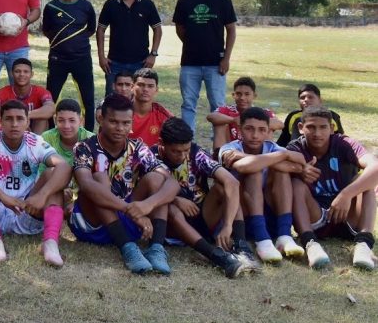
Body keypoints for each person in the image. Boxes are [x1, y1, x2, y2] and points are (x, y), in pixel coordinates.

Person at [70, 93, 180, 274]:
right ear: (101, 119)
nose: (120, 128)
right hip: (92, 224)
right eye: (113, 122)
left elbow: (172, 182)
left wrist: (146, 206)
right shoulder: (85, 147)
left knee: (156, 178)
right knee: (99, 178)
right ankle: (127, 248)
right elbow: (86, 184)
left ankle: (156, 249)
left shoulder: (137, 147)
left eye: (126, 123)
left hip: (129, 219)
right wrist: (130, 211)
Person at [0, 100, 73, 266]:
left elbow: (64, 166)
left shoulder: (35, 142)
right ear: (0, 122)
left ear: (28, 122)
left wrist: (42, 196)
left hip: (27, 209)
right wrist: (3, 197)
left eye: (20, 119)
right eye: (8, 119)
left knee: (53, 175)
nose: (14, 124)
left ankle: (50, 243)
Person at [157, 118, 253, 278]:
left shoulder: (196, 153)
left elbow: (232, 182)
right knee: (169, 207)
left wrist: (228, 225)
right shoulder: (151, 155)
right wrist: (175, 199)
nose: (182, 156)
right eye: (175, 151)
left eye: (185, 150)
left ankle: (241, 246)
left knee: (223, 188)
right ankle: (215, 256)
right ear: (162, 144)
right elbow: (147, 191)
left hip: (203, 215)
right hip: (172, 223)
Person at [285, 107, 377, 270]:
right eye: (311, 127)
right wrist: (298, 170)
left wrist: (346, 195)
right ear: (301, 128)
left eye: (323, 127)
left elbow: (375, 167)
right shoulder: (295, 148)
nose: (317, 133)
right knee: (296, 184)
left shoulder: (344, 143)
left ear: (332, 128)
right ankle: (310, 243)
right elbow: (276, 167)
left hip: (346, 214)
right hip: (316, 217)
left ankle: (363, 244)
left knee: (364, 182)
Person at [217, 107, 307, 263]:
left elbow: (300, 162)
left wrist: (284, 154)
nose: (255, 135)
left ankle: (284, 235)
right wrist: (279, 160)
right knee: (255, 172)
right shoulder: (229, 149)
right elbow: (244, 167)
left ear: (268, 132)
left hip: (269, 212)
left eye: (261, 130)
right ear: (240, 129)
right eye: (249, 129)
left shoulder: (273, 148)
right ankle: (262, 239)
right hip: (241, 217)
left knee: (281, 173)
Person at [173, 0, 237, 130]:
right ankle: (187, 145)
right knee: (188, 105)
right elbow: (179, 28)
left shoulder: (223, 0)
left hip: (215, 63)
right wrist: (192, 43)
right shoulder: (185, 1)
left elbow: (231, 30)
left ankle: (219, 146)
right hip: (189, 63)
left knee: (218, 106)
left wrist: (226, 58)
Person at [42, 0, 98, 131]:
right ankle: (51, 132)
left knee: (87, 98)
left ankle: (88, 133)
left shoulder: (86, 6)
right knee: (50, 97)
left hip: (82, 58)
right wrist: (61, 42)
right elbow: (46, 29)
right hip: (57, 59)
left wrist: (76, 42)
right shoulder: (51, 6)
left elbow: (91, 29)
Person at [96, 0, 162, 97]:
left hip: (141, 62)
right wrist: (101, 56)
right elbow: (100, 30)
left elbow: (157, 29)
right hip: (114, 63)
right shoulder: (111, 4)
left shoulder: (147, 4)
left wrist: (153, 54)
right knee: (112, 100)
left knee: (138, 100)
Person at [207, 77, 281, 150]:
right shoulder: (226, 110)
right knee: (219, 123)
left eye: (247, 94)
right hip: (230, 150)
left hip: (256, 150)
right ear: (233, 95)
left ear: (254, 96)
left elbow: (280, 124)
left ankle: (266, 156)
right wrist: (233, 120)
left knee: (269, 127)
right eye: (238, 94)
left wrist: (253, 123)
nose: (242, 98)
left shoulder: (261, 112)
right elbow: (211, 117)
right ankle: (220, 157)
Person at [0, 58, 54, 133]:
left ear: (32, 74)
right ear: (11, 73)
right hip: (12, 126)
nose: (22, 74)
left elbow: (50, 109)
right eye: (17, 71)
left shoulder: (41, 91)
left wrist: (24, 115)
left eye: (26, 71)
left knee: (42, 118)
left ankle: (36, 143)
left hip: (35, 127)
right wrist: (18, 118)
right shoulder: (2, 92)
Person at [276, 83, 346, 146]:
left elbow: (341, 139)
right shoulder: (293, 117)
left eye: (310, 97)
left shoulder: (332, 116)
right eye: (302, 98)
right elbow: (284, 140)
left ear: (320, 100)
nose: (306, 100)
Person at [41, 98, 94, 171]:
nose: (66, 126)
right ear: (55, 121)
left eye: (72, 120)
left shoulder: (90, 139)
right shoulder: (46, 138)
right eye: (61, 120)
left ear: (81, 121)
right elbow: (41, 171)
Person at [130, 68, 173, 147]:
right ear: (132, 87)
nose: (145, 89)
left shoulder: (165, 116)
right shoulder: (120, 113)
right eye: (141, 85)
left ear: (156, 89)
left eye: (150, 86)